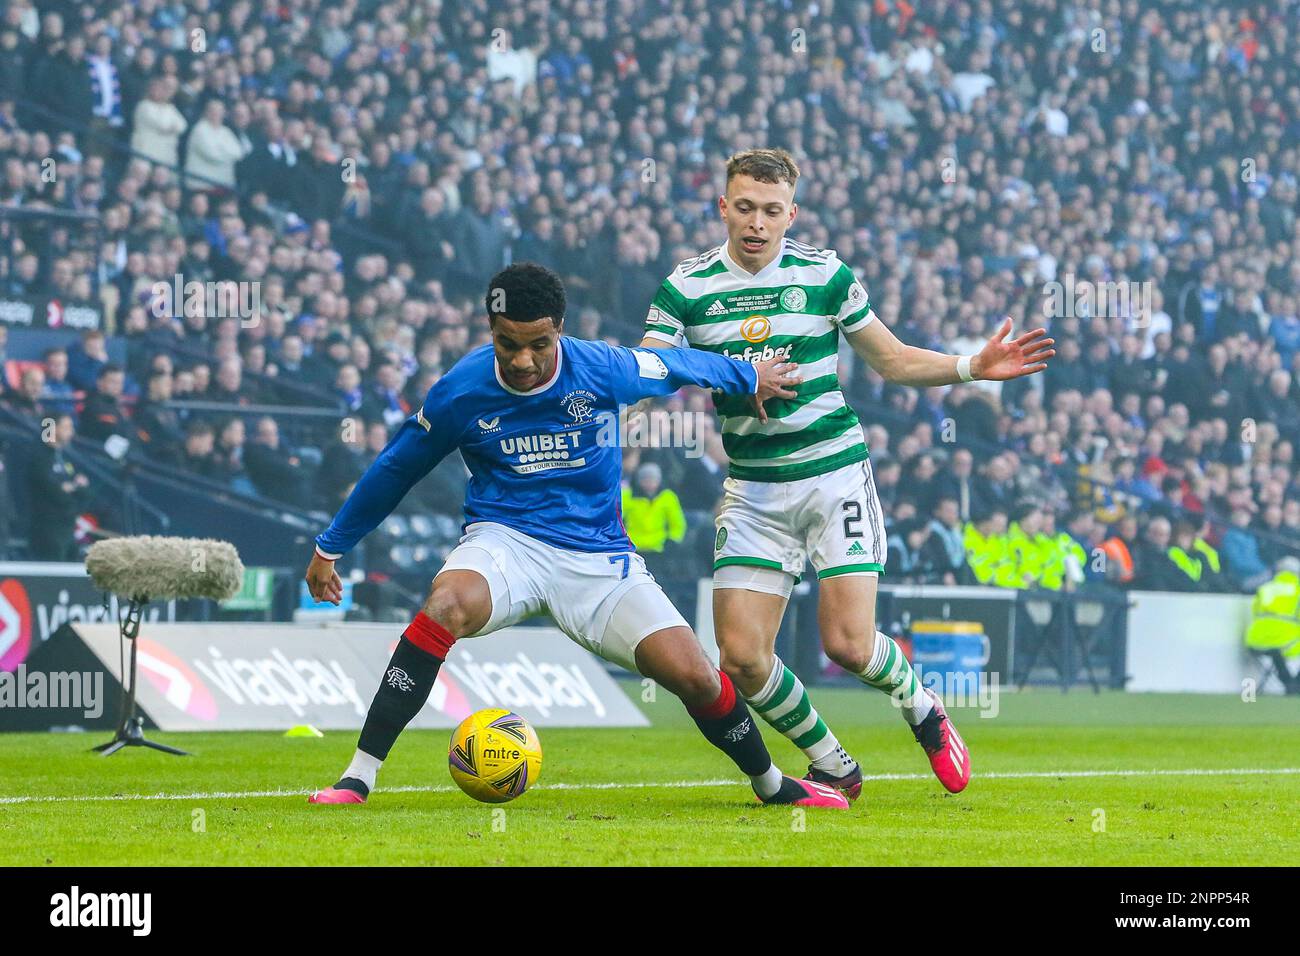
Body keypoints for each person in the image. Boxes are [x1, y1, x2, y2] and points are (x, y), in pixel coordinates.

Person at [303, 262, 845, 809]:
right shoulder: (460, 391)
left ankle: (771, 784)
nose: (522, 360)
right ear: (491, 330)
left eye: (538, 345)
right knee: (445, 605)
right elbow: (397, 467)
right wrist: (331, 546)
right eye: (507, 344)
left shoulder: (602, 367)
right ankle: (358, 777)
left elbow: (679, 364)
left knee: (697, 676)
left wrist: (749, 377)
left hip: (600, 559)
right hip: (506, 542)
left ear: (559, 329)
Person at [638, 149, 1054, 798]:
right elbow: (648, 371)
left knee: (849, 646)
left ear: (792, 214)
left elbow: (892, 360)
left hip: (833, 475)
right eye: (744, 207)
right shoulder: (686, 288)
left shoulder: (825, 275)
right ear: (723, 207)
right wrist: (602, 402)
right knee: (741, 660)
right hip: (752, 488)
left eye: (771, 210)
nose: (756, 222)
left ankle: (924, 710)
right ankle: (833, 763)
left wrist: (972, 367)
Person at [28, 414, 89, 561]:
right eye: (66, 427)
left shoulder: (65, 457)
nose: (71, 432)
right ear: (52, 429)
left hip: (67, 525)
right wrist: (70, 487)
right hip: (47, 527)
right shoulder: (38, 456)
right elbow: (52, 489)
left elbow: (82, 487)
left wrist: (72, 486)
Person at [1244, 557, 1300, 695]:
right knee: (1278, 649)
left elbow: (1255, 612)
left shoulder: (1265, 588)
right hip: (1285, 641)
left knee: (1275, 651)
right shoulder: (1297, 590)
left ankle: (1289, 683)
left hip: (1256, 640)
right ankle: (1295, 683)